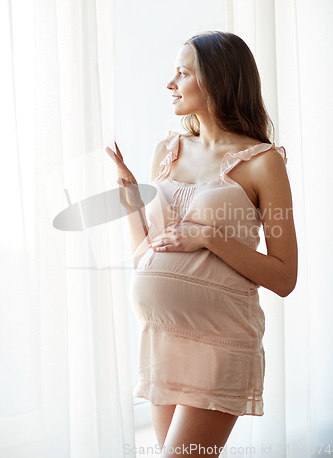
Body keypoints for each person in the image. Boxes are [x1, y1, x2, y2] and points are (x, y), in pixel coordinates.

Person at [105, 31, 298, 457]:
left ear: (217, 81)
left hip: (219, 341)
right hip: (161, 337)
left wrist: (209, 235)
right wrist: (131, 200)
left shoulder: (263, 162)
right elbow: (147, 254)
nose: (170, 83)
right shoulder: (167, 150)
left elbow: (285, 276)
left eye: (182, 73)